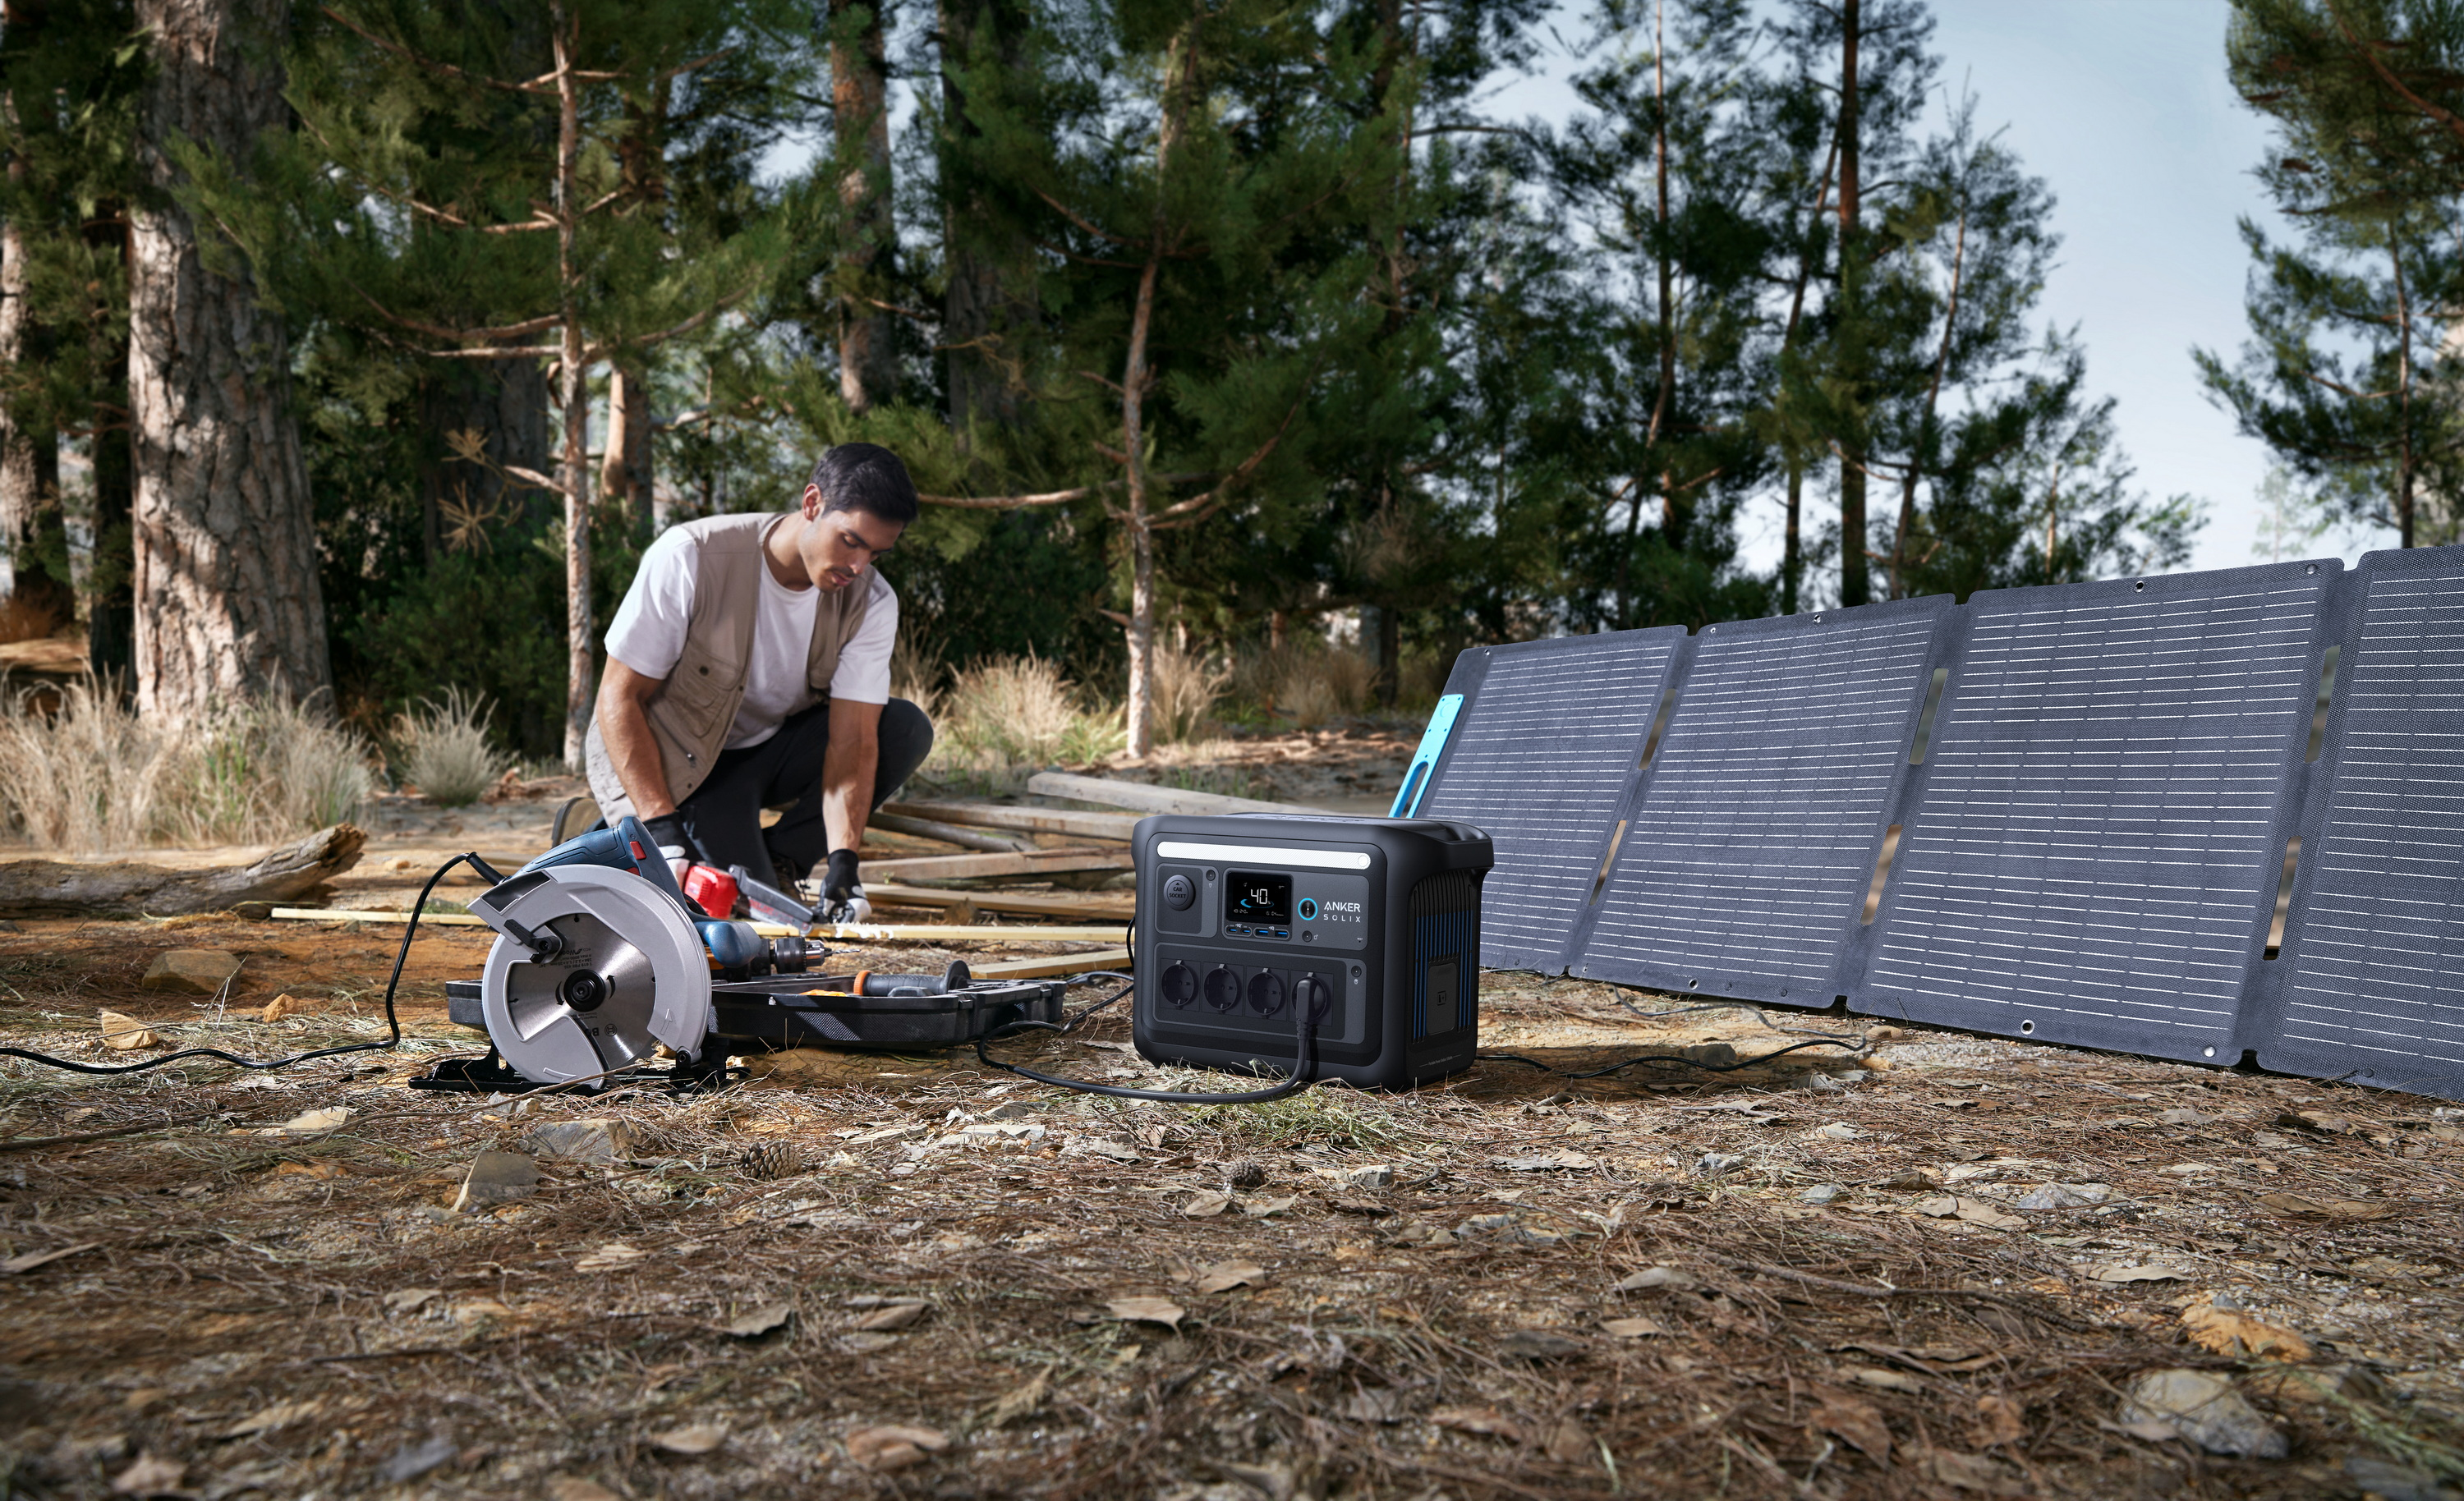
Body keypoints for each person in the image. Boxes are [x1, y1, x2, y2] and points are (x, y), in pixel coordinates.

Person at [584, 443, 934, 920]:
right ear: (813, 504)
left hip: (760, 757)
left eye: (876, 552)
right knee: (741, 920)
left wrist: (843, 861)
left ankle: (780, 860)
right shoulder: (692, 556)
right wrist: (662, 829)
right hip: (676, 765)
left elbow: (852, 740)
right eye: (851, 541)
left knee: (904, 728)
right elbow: (619, 697)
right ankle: (603, 837)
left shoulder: (871, 600)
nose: (859, 566)